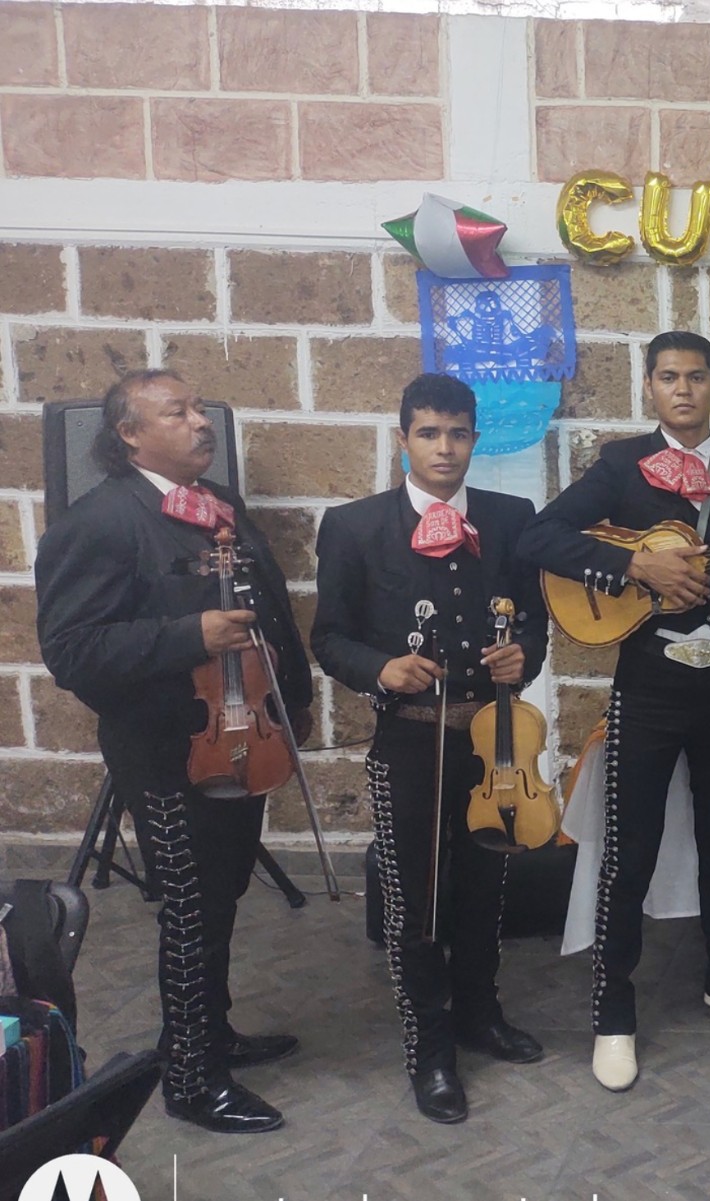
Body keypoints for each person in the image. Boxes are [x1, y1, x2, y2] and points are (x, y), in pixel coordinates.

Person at [518, 331, 710, 1092]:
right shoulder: (619, 466)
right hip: (648, 684)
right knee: (630, 851)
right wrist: (632, 563)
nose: (683, 389)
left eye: (696, 377)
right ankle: (613, 1012)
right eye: (668, 377)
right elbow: (537, 535)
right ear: (650, 387)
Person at [36, 370, 311, 1133]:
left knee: (222, 895)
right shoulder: (99, 523)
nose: (200, 422)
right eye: (178, 412)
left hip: (242, 737)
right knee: (190, 908)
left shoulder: (221, 507)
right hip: (164, 747)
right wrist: (190, 634)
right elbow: (72, 651)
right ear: (128, 434)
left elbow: (274, 612)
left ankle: (207, 1032)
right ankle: (192, 1079)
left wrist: (298, 706)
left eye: (199, 408)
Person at [310, 373, 550, 1123]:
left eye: (458, 433)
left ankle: (481, 1011)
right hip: (407, 742)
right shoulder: (353, 526)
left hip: (496, 741)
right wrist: (379, 667)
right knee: (415, 899)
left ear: (475, 438)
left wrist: (527, 658)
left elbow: (536, 623)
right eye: (429, 432)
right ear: (403, 436)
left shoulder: (514, 518)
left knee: (487, 884)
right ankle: (431, 1048)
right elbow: (328, 637)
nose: (445, 448)